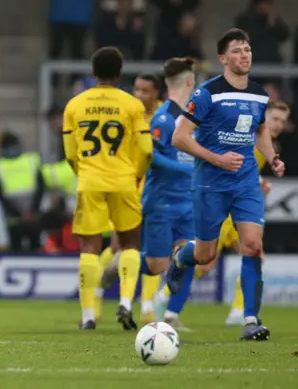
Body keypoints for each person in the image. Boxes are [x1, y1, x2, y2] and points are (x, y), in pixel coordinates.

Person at [166, 28, 285, 341]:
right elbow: (179, 137)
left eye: (247, 49)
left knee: (253, 246)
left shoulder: (260, 94)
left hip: (245, 180)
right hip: (210, 182)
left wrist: (271, 158)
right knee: (206, 255)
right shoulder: (207, 93)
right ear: (222, 58)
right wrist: (217, 159)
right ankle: (180, 258)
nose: (244, 55)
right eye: (237, 50)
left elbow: (260, 130)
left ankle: (250, 320)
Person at [154, 99, 290, 326]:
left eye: (283, 121)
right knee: (205, 262)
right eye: (274, 119)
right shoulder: (244, 136)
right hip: (220, 205)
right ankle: (166, 295)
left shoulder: (268, 147)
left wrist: (258, 184)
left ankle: (239, 313)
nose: (278, 125)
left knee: (255, 252)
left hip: (238, 210)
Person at [63, 46, 153, 330]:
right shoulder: (132, 105)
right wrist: (136, 175)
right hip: (124, 181)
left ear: (93, 73)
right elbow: (147, 150)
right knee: (130, 244)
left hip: (89, 181)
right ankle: (126, 302)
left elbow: (68, 153)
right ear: (119, 73)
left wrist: (84, 172)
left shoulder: (75, 105)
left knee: (89, 247)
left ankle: (89, 315)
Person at [96, 73, 163, 324]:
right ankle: (98, 288)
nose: (140, 95)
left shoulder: (166, 115)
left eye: (146, 90)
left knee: (155, 248)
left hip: (157, 191)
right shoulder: (124, 112)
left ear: (157, 92)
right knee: (118, 248)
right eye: (137, 89)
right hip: (127, 187)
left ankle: (147, 308)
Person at [136, 57, 197, 331]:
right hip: (162, 200)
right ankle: (121, 262)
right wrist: (188, 170)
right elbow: (153, 157)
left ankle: (171, 314)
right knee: (156, 264)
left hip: (188, 201)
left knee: (190, 254)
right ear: (188, 81)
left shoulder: (194, 117)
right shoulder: (164, 117)